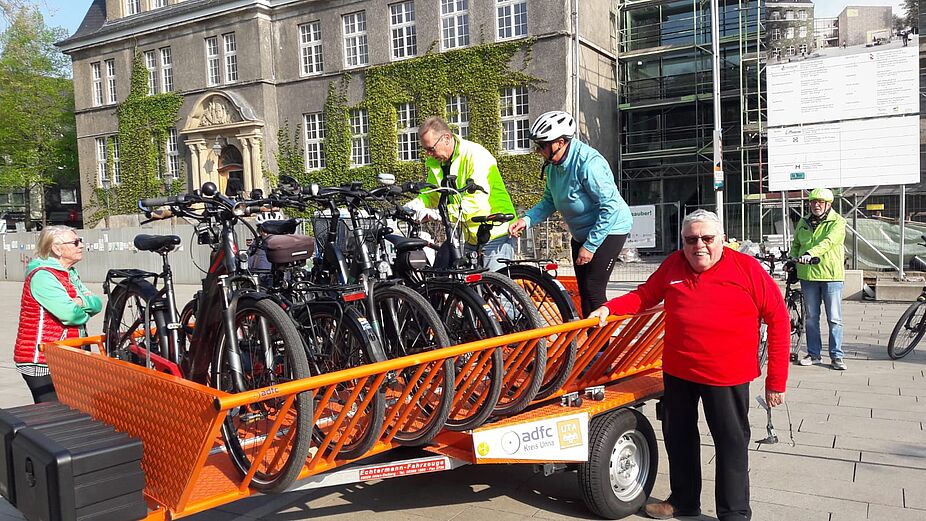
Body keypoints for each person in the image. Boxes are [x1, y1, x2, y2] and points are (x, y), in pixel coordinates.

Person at [589, 209, 789, 521]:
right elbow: (645, 295)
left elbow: (778, 320)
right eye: (691, 239)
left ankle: (734, 511)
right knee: (679, 438)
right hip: (679, 371)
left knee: (731, 444)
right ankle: (683, 501)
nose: (699, 245)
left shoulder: (746, 268)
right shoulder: (673, 265)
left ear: (722, 239)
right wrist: (608, 309)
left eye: (707, 238)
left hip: (727, 375)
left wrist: (776, 381)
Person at [508, 110, 633, 317]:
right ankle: (597, 346)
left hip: (610, 228)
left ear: (560, 142)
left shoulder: (589, 164)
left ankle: (604, 348)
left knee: (594, 289)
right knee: (584, 291)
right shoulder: (552, 166)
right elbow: (550, 201)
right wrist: (526, 219)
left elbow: (609, 207)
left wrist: (591, 246)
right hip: (581, 233)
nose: (539, 151)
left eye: (542, 145)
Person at [405, 116, 517, 271]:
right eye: (425, 150)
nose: (429, 154)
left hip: (496, 230)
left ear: (446, 138)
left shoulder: (476, 154)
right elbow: (432, 193)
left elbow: (477, 203)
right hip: (473, 235)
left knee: (498, 290)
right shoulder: (439, 163)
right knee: (472, 292)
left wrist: (437, 214)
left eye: (431, 149)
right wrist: (414, 205)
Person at [14, 226, 102, 403]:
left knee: (75, 411)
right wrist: (83, 309)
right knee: (51, 416)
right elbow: (69, 315)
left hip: (65, 354)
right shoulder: (43, 276)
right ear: (56, 249)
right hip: (41, 359)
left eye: (81, 240)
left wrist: (81, 302)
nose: (81, 245)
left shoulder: (68, 273)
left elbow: (97, 303)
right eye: (75, 242)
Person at [790, 187, 847, 370]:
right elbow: (796, 243)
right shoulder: (804, 221)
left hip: (831, 275)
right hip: (808, 275)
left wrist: (810, 253)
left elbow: (829, 242)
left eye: (820, 202)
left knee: (834, 318)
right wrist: (792, 259)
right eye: (813, 202)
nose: (816, 205)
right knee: (811, 318)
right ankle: (814, 354)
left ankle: (836, 356)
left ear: (828, 204)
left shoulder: (838, 222)